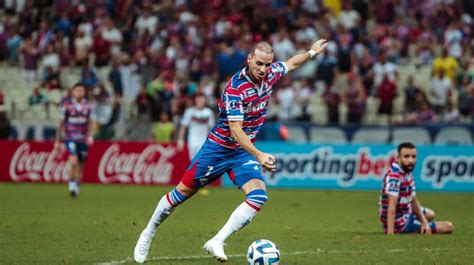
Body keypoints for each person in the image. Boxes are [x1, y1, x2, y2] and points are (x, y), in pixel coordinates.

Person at [133, 39, 328, 263]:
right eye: (259, 64)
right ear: (249, 59)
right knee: (180, 194)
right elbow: (236, 130)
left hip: (242, 154)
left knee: (258, 196)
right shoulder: (235, 88)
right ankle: (148, 232)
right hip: (218, 149)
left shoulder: (271, 73)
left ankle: (217, 240)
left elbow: (292, 63)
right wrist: (259, 154)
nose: (264, 69)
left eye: (267, 64)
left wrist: (312, 52)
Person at [379, 142, 454, 235]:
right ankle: (411, 227)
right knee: (448, 227)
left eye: (413, 156)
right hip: (401, 224)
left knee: (430, 214)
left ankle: (421, 224)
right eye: (406, 156)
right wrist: (390, 233)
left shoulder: (406, 171)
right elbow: (392, 205)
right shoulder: (394, 176)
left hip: (406, 212)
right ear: (398, 157)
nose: (411, 160)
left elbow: (413, 200)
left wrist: (424, 222)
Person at [54, 83, 97, 198]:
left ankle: (76, 184)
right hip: (70, 138)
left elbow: (92, 122)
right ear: (73, 92)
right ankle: (72, 185)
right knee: (73, 161)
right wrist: (57, 140)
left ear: (84, 92)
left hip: (83, 139)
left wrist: (90, 135)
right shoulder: (67, 105)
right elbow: (61, 124)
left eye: (81, 90)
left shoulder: (88, 106)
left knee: (81, 164)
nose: (79, 93)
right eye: (77, 90)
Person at [177, 94, 215, 159]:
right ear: (195, 100)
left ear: (205, 101)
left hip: (204, 142)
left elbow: (212, 128)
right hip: (192, 141)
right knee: (194, 163)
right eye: (199, 99)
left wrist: (213, 141)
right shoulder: (189, 111)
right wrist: (180, 139)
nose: (200, 101)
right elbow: (183, 126)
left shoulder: (209, 112)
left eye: (202, 99)